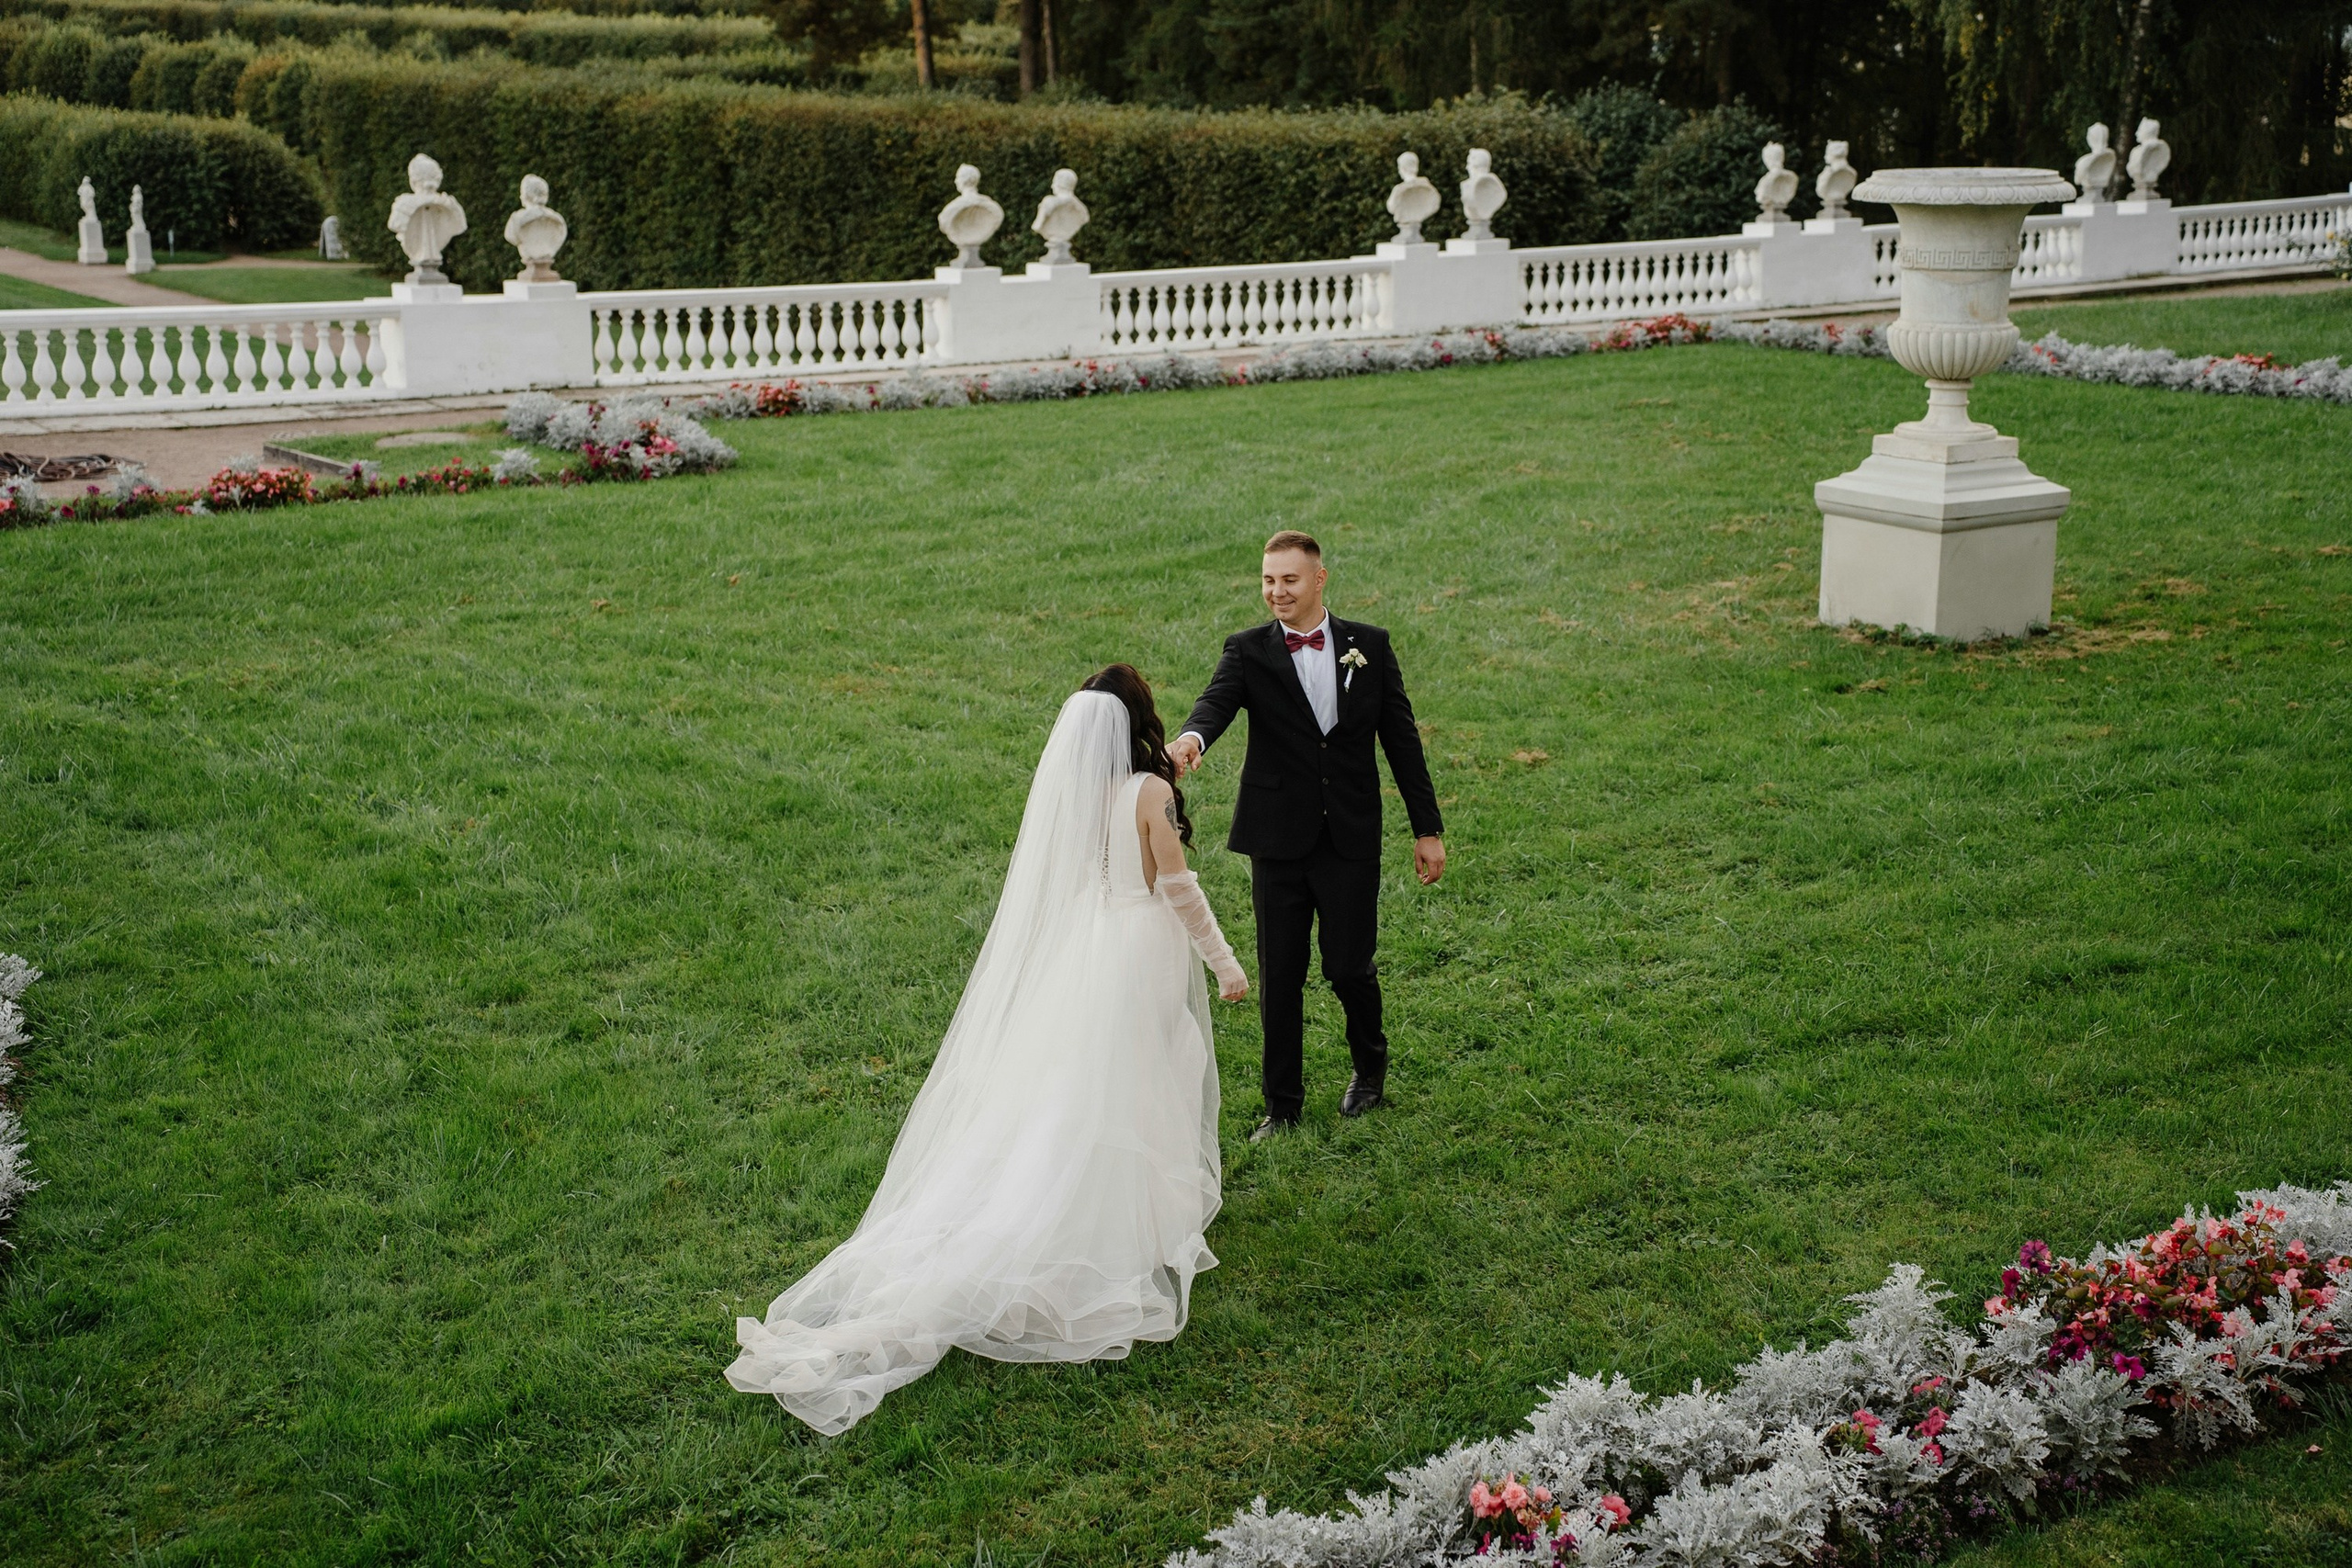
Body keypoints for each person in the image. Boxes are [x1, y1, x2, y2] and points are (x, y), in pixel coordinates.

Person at [727, 667, 1248, 1435]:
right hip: (1141, 952)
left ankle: (1118, 1209)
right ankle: (1119, 1226)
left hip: (1088, 950)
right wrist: (1226, 963)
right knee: (1144, 1079)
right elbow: (1178, 888)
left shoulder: (1086, 794)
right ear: (1139, 720)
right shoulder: (1148, 795)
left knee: (1085, 1089)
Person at [1171, 531, 1444, 1141]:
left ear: (1319, 580)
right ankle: (1282, 1105)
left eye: (1288, 580)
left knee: (1349, 967)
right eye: (1268, 580)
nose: (1276, 592)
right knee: (1280, 973)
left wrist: (1426, 828)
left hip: (1348, 836)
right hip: (1277, 839)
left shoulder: (1368, 647)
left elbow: (1401, 740)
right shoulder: (1247, 652)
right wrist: (1191, 739)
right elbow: (1213, 705)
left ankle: (1369, 1067)